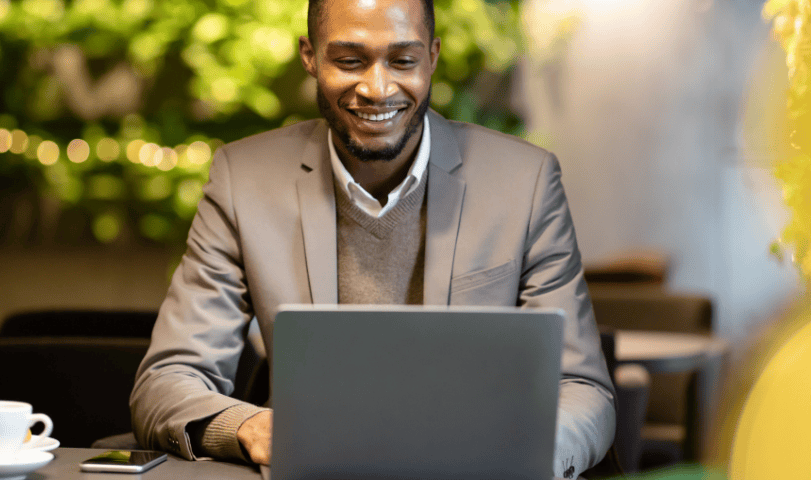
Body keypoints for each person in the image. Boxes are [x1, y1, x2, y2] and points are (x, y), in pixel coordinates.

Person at [130, 0, 616, 477]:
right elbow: (166, 382)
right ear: (310, 56)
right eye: (349, 61)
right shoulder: (243, 180)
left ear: (433, 57)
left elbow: (582, 387)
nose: (377, 88)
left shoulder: (525, 182)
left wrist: (528, 457)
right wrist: (250, 427)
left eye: (403, 60)